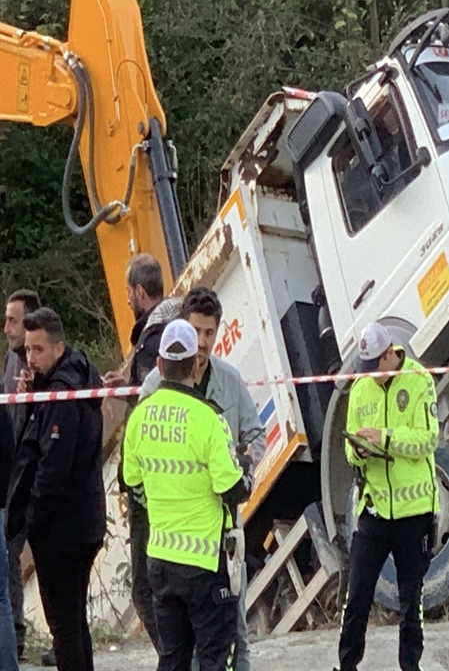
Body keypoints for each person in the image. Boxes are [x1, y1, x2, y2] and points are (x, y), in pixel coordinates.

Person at [137, 287, 265, 670]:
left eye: (210, 333)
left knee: (232, 636)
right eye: (197, 332)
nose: (204, 342)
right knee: (181, 649)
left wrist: (245, 463)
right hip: (172, 540)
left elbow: (255, 436)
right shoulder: (153, 389)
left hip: (222, 538)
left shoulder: (228, 379)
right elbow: (139, 464)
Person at [336, 323, 440, 671]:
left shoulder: (420, 379)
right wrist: (359, 452)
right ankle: (347, 665)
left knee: (411, 600)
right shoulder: (361, 386)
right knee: (357, 596)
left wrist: (385, 437)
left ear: (389, 354)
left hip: (414, 512)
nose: (368, 377)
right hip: (374, 508)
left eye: (373, 368)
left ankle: (411, 666)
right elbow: (348, 445)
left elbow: (428, 439)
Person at [7, 308, 105, 671]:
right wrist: (34, 394)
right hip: (82, 521)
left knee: (64, 630)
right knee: (74, 624)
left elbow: (52, 467)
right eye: (27, 351)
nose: (30, 358)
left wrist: (32, 518)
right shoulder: (70, 379)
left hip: (63, 529)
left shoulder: (63, 394)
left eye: (38, 350)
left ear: (58, 348)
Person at [103, 253, 180, 650]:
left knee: (145, 590)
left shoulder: (154, 337)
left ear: (137, 290)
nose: (127, 299)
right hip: (173, 483)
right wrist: (128, 383)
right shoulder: (174, 329)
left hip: (149, 481)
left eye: (128, 290)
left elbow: (153, 400)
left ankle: (175, 659)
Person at [3, 288, 40, 662]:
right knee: (10, 555)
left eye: (12, 320)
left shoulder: (44, 363)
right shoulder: (10, 361)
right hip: (13, 476)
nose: (7, 328)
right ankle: (14, 638)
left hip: (38, 476)